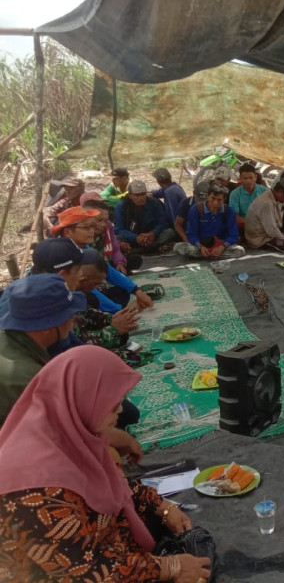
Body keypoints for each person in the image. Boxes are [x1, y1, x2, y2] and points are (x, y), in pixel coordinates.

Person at [0, 346, 212, 582]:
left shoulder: (70, 435)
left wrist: (161, 506)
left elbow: (116, 485)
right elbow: (83, 571)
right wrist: (169, 567)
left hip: (109, 552)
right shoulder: (33, 488)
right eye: (112, 403)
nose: (121, 410)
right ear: (80, 399)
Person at [0, 274, 86, 424]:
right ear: (47, 326)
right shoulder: (29, 376)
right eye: (68, 314)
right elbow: (60, 430)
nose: (73, 319)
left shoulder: (8, 338)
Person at [54, 207, 153, 313]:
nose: (92, 231)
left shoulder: (84, 247)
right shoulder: (62, 255)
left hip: (86, 293)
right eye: (86, 227)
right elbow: (86, 288)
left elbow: (107, 270)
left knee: (121, 292)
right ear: (67, 232)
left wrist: (136, 290)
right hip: (66, 300)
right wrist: (118, 311)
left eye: (92, 226)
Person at [175, 185, 245, 259]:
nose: (215, 203)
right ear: (208, 196)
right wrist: (200, 246)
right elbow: (192, 234)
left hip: (221, 243)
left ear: (224, 199)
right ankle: (211, 255)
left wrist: (222, 247)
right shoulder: (196, 209)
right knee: (178, 247)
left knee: (239, 251)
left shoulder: (229, 211)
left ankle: (209, 255)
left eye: (219, 200)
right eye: (213, 198)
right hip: (201, 244)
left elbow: (233, 235)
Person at [114, 179, 175, 253]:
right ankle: (149, 249)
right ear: (130, 195)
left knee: (169, 232)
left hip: (151, 238)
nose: (141, 198)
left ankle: (141, 250)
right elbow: (118, 229)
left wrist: (153, 233)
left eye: (143, 194)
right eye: (137, 195)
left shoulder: (155, 203)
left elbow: (162, 223)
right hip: (131, 239)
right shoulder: (121, 206)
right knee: (116, 238)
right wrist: (135, 237)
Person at [83, 197, 142, 273]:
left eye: (105, 220)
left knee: (134, 260)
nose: (103, 224)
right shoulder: (80, 233)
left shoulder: (108, 226)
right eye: (99, 220)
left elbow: (115, 247)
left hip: (104, 261)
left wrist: (119, 263)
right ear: (86, 217)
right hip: (87, 265)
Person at [244, 177, 284, 254]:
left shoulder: (276, 197)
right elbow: (272, 231)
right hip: (260, 239)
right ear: (281, 191)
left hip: (269, 233)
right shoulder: (266, 203)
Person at [228, 163, 267, 231]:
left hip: (265, 226)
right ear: (240, 178)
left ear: (255, 177)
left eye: (251, 178)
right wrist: (251, 224)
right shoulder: (235, 194)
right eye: (245, 178)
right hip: (244, 227)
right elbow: (235, 216)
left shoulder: (265, 191)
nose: (248, 181)